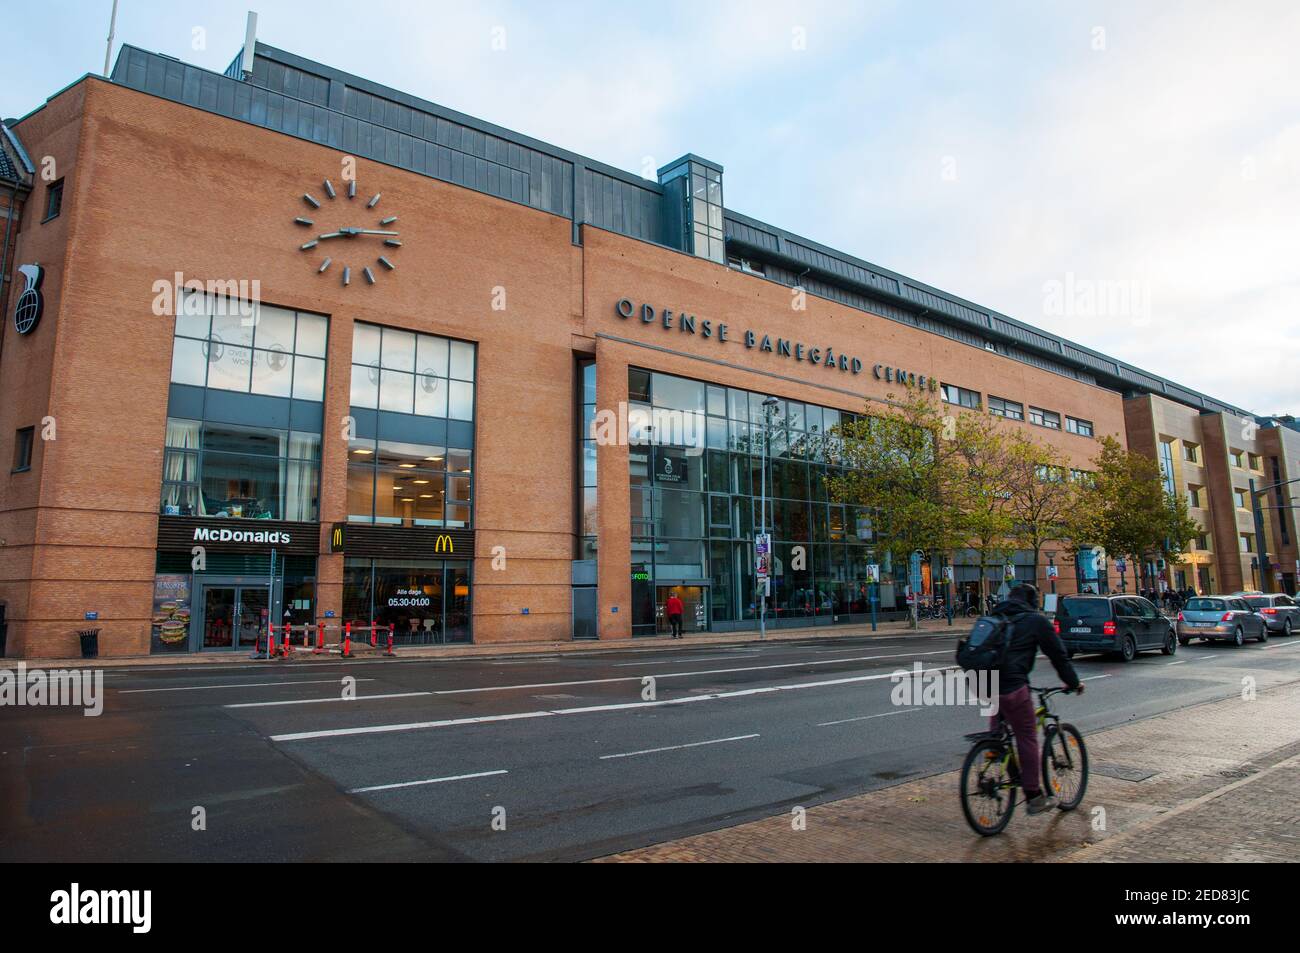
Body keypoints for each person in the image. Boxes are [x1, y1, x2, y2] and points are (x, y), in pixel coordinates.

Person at [988, 583, 1084, 815]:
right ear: (1033, 601)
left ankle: (994, 748)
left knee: (999, 714)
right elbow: (1058, 656)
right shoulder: (1035, 621)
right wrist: (1073, 682)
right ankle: (1033, 796)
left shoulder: (995, 615)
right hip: (1012, 685)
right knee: (1027, 736)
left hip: (985, 682)